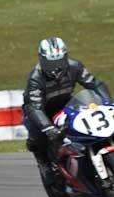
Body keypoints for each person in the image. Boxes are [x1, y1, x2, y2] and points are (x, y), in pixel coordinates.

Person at [23, 37, 111, 177]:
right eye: (50, 64)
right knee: (39, 138)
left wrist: (108, 104)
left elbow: (95, 84)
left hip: (66, 104)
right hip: (41, 112)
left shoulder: (75, 66)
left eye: (59, 62)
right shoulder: (35, 78)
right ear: (41, 60)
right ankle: (44, 164)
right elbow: (35, 107)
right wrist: (48, 128)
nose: (55, 68)